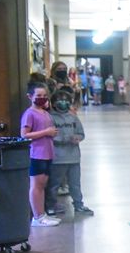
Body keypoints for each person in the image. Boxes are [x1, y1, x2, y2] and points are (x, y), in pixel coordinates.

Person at [45, 89, 93, 217]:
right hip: (58, 157)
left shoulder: (73, 118)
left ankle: (79, 205)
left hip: (74, 157)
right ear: (53, 103)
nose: (63, 103)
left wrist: (78, 137)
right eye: (60, 100)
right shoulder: (49, 118)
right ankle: (50, 205)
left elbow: (81, 133)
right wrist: (65, 139)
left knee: (75, 183)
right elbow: (50, 136)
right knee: (54, 184)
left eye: (66, 101)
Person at [21, 82, 60, 227]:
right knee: (36, 185)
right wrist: (46, 132)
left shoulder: (45, 113)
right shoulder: (29, 114)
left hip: (47, 153)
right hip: (36, 154)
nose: (42, 98)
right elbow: (24, 135)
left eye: (44, 96)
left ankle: (42, 214)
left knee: (42, 184)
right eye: (38, 96)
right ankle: (37, 216)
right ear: (30, 96)